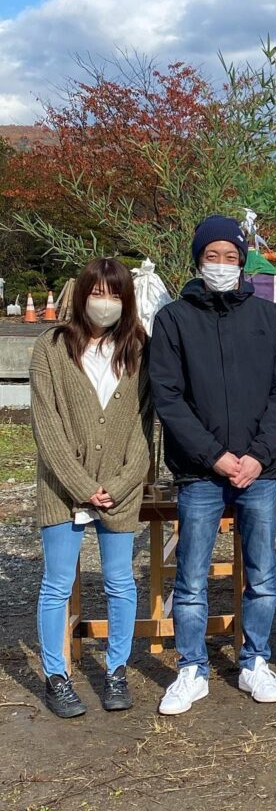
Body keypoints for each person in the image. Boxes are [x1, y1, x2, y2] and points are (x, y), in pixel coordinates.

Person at [150, 215, 276, 714]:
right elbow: (168, 397)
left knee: (262, 573)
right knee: (191, 576)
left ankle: (255, 658)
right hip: (200, 472)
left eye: (230, 257)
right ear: (198, 260)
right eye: (212, 256)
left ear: (244, 263)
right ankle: (191, 668)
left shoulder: (271, 319)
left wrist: (256, 455)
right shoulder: (173, 319)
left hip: (259, 471)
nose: (221, 265)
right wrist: (214, 455)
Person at [30, 258, 153, 717]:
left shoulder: (139, 348)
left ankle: (117, 671)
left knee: (120, 581)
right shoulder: (51, 347)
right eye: (97, 292)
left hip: (119, 489)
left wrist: (120, 484)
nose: (105, 302)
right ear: (82, 295)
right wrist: (82, 485)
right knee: (57, 583)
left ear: (127, 300)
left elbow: (145, 429)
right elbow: (46, 424)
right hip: (63, 488)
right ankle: (56, 675)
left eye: (115, 294)